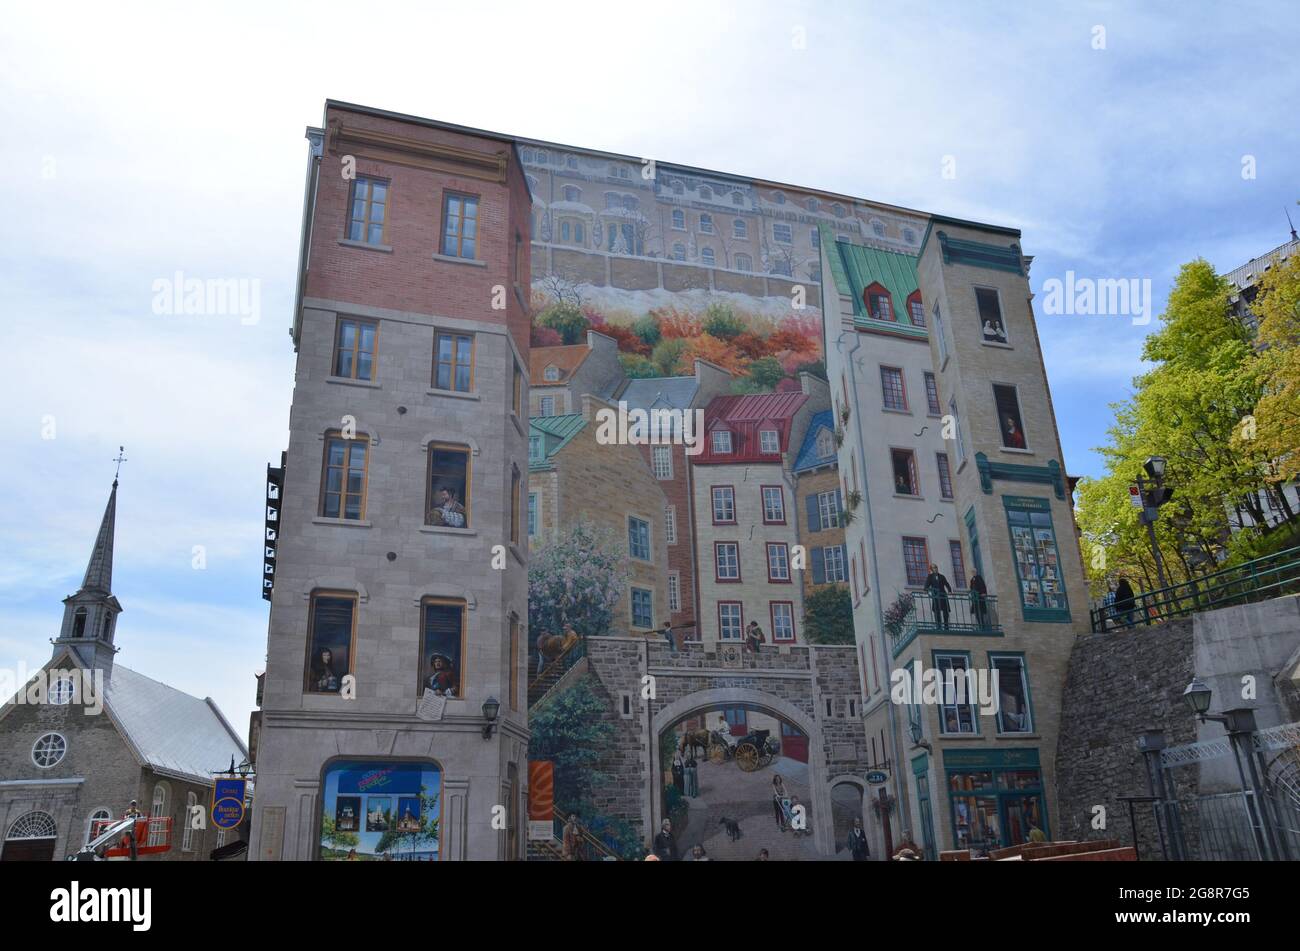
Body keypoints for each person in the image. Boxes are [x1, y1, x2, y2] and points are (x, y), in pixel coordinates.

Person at [924, 564, 952, 629]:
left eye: (936, 567)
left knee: (945, 611)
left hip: (943, 595)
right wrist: (926, 589)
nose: (935, 569)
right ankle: (938, 626)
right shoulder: (930, 577)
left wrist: (949, 590)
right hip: (936, 596)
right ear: (931, 569)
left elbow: (946, 583)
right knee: (937, 611)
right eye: (934, 568)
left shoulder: (942, 576)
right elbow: (927, 584)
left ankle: (946, 626)